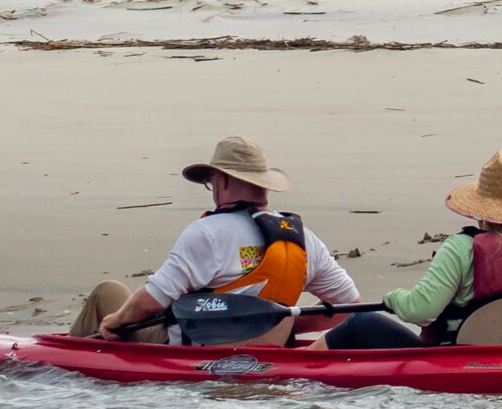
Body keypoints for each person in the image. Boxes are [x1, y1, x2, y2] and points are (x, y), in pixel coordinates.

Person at [74, 135, 362, 344]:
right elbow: (349, 307)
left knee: (107, 292)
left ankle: (68, 362)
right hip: (268, 351)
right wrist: (277, 325)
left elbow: (152, 301)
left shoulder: (207, 234)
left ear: (222, 181)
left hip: (188, 348)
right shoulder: (303, 239)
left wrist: (117, 320)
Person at [323, 151, 502, 349]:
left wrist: (394, 298)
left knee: (361, 323)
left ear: (482, 206)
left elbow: (420, 311)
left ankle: (294, 369)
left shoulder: (461, 247)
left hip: (452, 358)